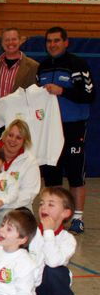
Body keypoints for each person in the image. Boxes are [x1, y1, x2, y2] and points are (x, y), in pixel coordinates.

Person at [37, 26, 95, 234]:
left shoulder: (77, 64)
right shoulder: (42, 68)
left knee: (75, 175)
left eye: (56, 41)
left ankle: (77, 218)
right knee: (52, 177)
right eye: (49, 41)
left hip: (73, 127)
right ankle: (54, 219)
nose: (52, 45)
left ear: (65, 42)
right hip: (50, 130)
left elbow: (89, 95)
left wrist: (63, 91)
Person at [26, 187, 79, 295]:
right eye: (42, 203)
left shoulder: (68, 240)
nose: (44, 207)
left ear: (65, 213)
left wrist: (48, 232)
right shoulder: (30, 234)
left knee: (54, 270)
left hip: (51, 283)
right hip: (29, 288)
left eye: (51, 204)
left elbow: (53, 261)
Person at [0, 28, 39, 127]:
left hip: (20, 122)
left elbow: (34, 97)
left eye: (14, 39)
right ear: (2, 43)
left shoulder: (33, 66)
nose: (10, 43)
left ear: (20, 41)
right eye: (7, 40)